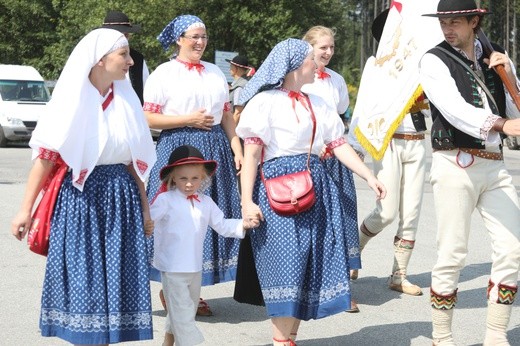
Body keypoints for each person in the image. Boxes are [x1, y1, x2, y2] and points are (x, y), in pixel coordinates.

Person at [10, 28, 156, 344]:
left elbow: (135, 163)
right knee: (85, 280)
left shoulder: (127, 101)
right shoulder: (70, 100)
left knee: (117, 278)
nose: (131, 61)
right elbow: (46, 158)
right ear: (99, 60)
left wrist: (146, 208)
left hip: (121, 197)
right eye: (124, 55)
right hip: (80, 199)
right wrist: (25, 210)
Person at [236, 38, 386, 346]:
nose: (315, 64)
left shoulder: (317, 102)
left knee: (308, 265)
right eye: (308, 60)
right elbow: (251, 155)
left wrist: (369, 175)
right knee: (285, 263)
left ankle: (289, 338)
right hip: (277, 189)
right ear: (292, 67)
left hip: (315, 187)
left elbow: (338, 145)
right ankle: (281, 341)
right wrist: (246, 201)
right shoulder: (265, 103)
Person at [420, 0, 520, 344]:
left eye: (456, 22)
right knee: (452, 253)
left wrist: (507, 74)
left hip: (495, 165)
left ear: (475, 21)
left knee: (512, 247)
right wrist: (503, 125)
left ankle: (495, 334)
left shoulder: (496, 53)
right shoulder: (433, 59)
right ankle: (442, 337)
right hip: (454, 163)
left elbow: (515, 106)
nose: (448, 29)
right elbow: (454, 108)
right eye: (443, 23)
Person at [143, 14, 243, 315]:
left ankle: (191, 288)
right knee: (177, 219)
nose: (200, 42)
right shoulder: (164, 73)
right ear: (179, 39)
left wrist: (236, 148)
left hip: (214, 149)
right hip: (178, 147)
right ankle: (172, 286)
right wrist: (189, 119)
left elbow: (226, 114)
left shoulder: (215, 71)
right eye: (194, 37)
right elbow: (148, 118)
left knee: (203, 221)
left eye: (204, 37)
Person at [347, 9, 429, 297]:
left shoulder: (426, 64)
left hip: (418, 140)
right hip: (388, 140)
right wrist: (354, 145)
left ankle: (399, 274)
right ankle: (353, 252)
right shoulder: (376, 64)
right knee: (387, 211)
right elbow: (364, 105)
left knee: (412, 212)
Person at [150, 144, 258, 346]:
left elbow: (222, 225)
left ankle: (167, 343)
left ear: (203, 178)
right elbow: (148, 221)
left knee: (185, 311)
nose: (189, 184)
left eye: (195, 178)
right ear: (173, 177)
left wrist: (243, 224)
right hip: (172, 268)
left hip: (194, 267)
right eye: (183, 178)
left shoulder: (205, 202)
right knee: (183, 315)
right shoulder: (165, 200)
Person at [301, 25, 361, 312]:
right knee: (313, 224)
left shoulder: (336, 80)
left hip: (335, 157)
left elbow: (339, 117)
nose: (328, 52)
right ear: (309, 47)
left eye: (331, 47)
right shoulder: (298, 77)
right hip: (308, 158)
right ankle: (306, 286)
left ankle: (343, 288)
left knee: (342, 219)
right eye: (322, 47)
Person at [102, 10, 149, 105]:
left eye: (126, 35)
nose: (123, 39)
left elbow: (146, 92)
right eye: (119, 35)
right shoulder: (96, 59)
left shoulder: (137, 59)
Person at [226, 55, 254, 123]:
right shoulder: (244, 83)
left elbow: (238, 113)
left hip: (236, 129)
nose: (229, 69)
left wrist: (232, 132)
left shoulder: (239, 87)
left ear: (236, 69)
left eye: (231, 67)